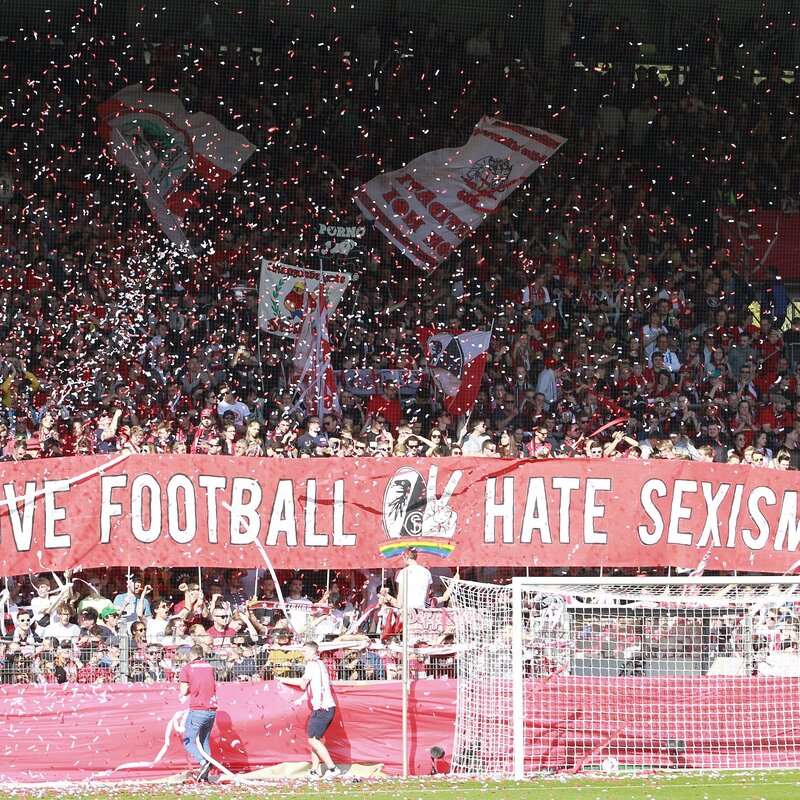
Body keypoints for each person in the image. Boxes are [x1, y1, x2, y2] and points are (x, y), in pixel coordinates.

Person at [296, 640, 340, 781]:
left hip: (322, 707)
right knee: (315, 739)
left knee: (312, 740)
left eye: (304, 651)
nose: (302, 654)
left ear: (311, 651)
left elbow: (303, 685)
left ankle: (332, 768)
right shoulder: (320, 664)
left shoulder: (311, 665)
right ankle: (314, 771)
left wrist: (283, 679)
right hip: (327, 707)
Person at [179, 644, 218, 783]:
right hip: (212, 710)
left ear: (191, 655)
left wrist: (190, 689)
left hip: (197, 709)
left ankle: (203, 762)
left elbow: (183, 691)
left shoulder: (187, 668)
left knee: (188, 741)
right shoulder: (209, 667)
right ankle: (205, 773)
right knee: (204, 741)